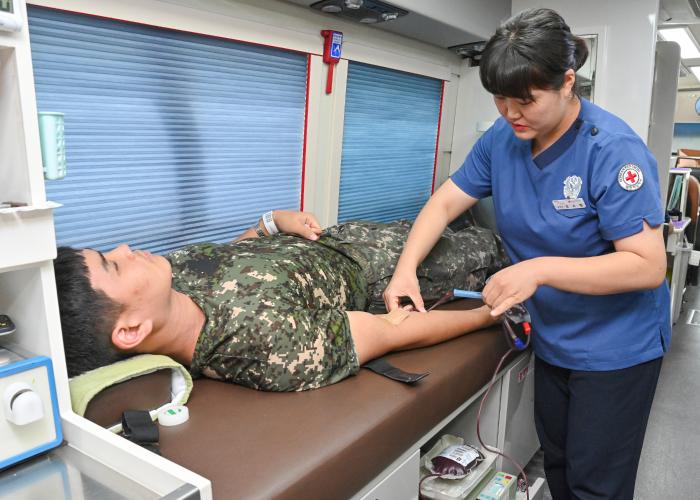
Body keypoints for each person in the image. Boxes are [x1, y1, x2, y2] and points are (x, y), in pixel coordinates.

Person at [383, 8, 669, 500]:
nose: (510, 112)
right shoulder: (503, 140)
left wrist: (536, 270)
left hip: (617, 347)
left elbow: (647, 266)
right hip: (555, 336)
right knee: (558, 464)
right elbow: (447, 201)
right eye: (499, 98)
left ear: (567, 82)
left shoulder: (613, 151)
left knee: (595, 485)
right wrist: (404, 269)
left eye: (525, 100)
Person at [54, 209, 509, 391]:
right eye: (113, 266)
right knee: (495, 245)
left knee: (455, 218)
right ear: (131, 330)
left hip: (349, 235)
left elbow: (233, 258)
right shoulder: (264, 343)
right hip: (389, 271)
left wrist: (272, 222)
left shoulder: (170, 278)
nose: (124, 250)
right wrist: (488, 317)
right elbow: (394, 330)